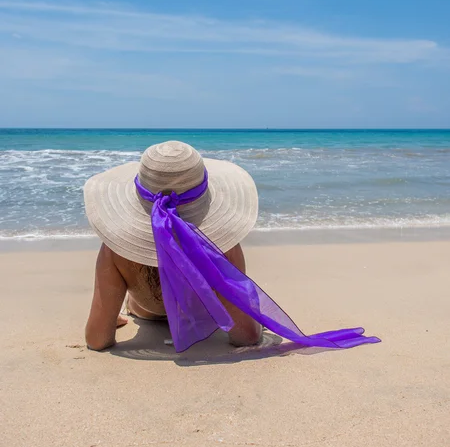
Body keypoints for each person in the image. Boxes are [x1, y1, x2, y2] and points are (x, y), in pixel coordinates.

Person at [84, 141, 379, 353]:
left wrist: (111, 324)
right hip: (204, 315)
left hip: (147, 310)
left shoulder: (115, 248)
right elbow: (246, 336)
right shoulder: (221, 242)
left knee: (131, 304)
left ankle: (127, 309)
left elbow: (97, 340)